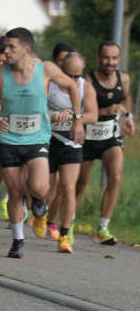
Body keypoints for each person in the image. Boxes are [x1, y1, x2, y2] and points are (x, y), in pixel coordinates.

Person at [0, 27, 82, 259]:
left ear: (27, 49)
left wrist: (77, 120)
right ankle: (17, 240)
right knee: (14, 191)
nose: (6, 51)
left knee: (39, 186)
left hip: (37, 137)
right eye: (5, 46)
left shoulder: (45, 69)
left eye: (11, 47)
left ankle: (37, 199)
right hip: (8, 139)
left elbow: (73, 87)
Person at [77, 42, 135, 245]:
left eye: (114, 58)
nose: (110, 62)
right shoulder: (87, 81)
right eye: (106, 57)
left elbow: (126, 98)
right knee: (80, 183)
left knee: (116, 177)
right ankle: (69, 223)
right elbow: (80, 111)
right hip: (87, 138)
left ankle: (103, 227)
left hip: (110, 136)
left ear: (118, 59)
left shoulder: (124, 78)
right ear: (98, 57)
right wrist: (104, 111)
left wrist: (128, 117)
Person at [46, 52, 97, 253]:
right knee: (45, 189)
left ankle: (65, 235)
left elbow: (93, 115)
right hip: (48, 139)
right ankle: (41, 214)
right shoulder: (49, 85)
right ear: (60, 70)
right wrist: (54, 117)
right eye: (69, 75)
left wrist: (76, 119)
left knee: (68, 187)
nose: (73, 80)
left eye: (77, 76)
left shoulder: (86, 87)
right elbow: (37, 110)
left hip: (71, 142)